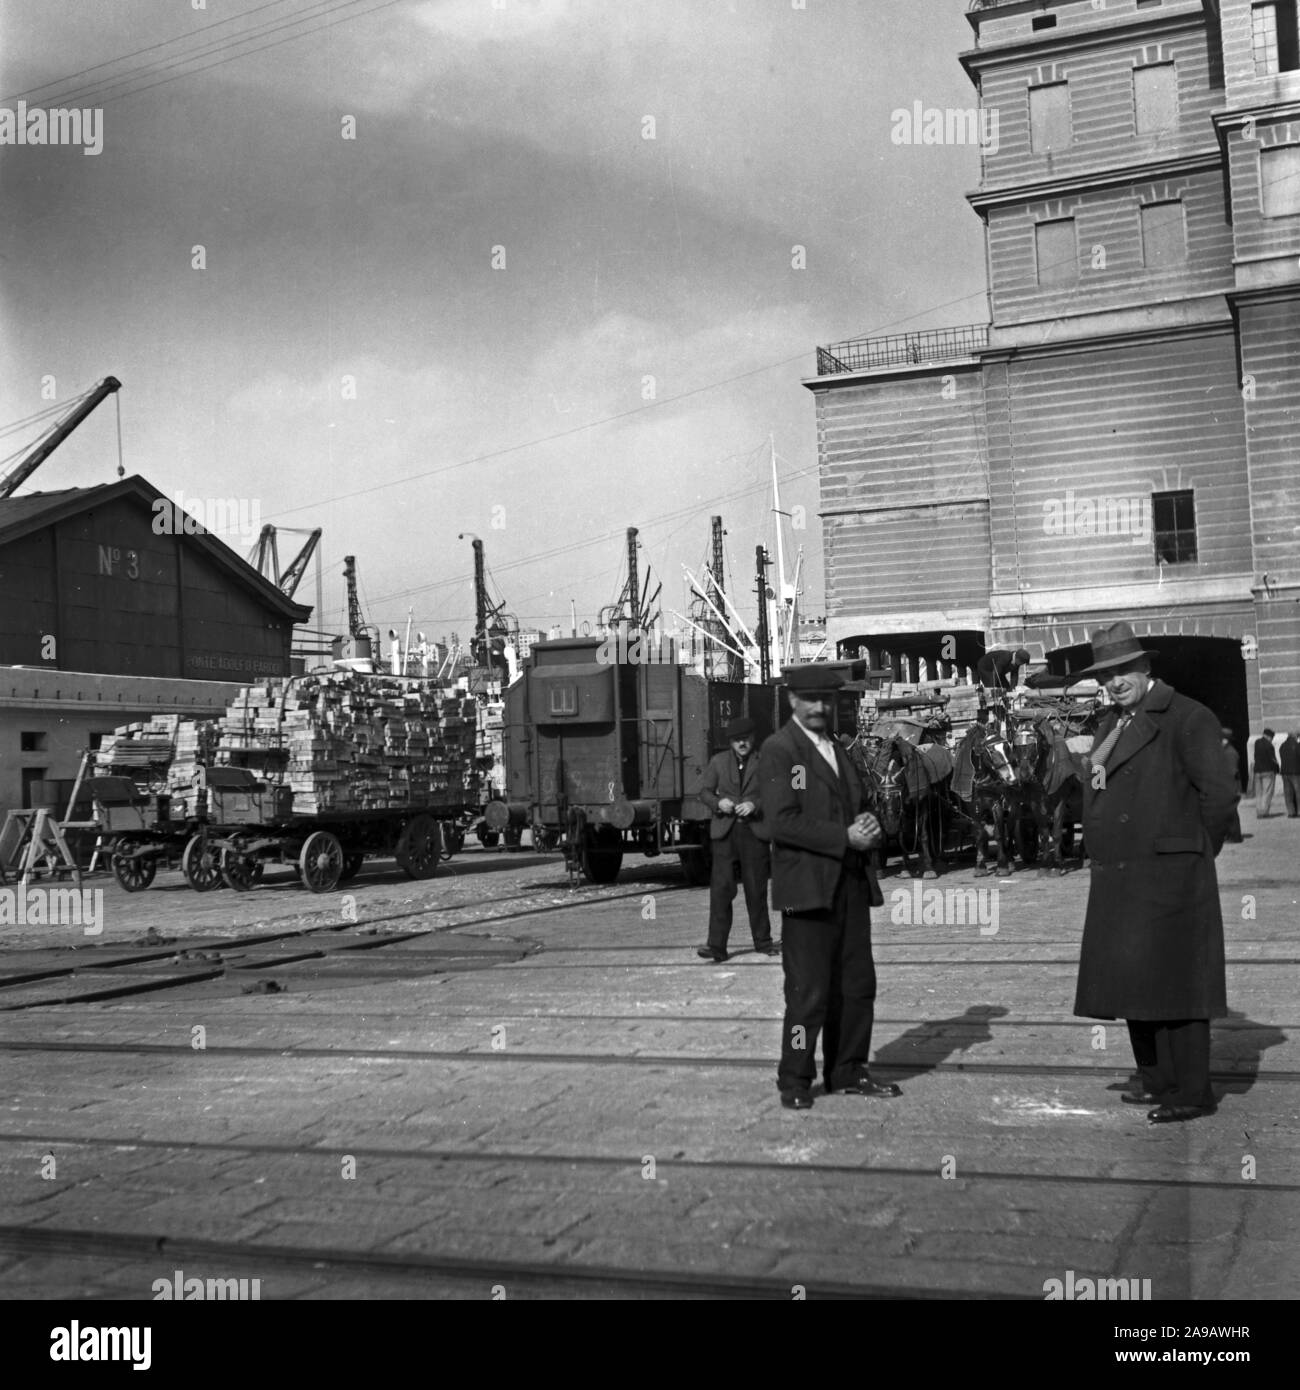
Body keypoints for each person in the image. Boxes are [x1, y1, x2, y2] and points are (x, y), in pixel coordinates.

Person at [1071, 623, 1237, 1125]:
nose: (1115, 682)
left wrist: (1191, 852)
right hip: (1120, 875)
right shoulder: (1111, 724)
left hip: (1169, 874)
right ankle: (1157, 1080)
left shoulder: (1188, 718)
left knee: (1180, 984)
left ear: (1146, 668)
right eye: (1106, 675)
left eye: (1124, 670)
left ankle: (1191, 1091)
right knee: (1134, 981)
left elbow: (1220, 798)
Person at [757, 665, 900, 1111]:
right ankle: (795, 1079)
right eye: (812, 700)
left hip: (850, 886)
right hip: (808, 891)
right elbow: (781, 821)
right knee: (809, 991)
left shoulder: (836, 747)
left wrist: (868, 821)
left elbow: (856, 804)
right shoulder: (780, 750)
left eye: (827, 700)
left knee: (857, 985)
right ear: (792, 701)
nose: (821, 708)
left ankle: (849, 1069)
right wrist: (845, 837)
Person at [695, 716, 778, 963]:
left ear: (753, 739)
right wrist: (718, 803)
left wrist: (755, 804)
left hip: (755, 833)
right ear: (730, 742)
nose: (742, 743)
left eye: (746, 738)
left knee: (756, 890)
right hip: (725, 833)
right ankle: (716, 946)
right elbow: (704, 792)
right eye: (737, 740)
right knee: (721, 890)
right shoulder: (718, 762)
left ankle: (763, 943)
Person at [1221, 728, 1243, 843]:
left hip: (1231, 787)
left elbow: (1231, 771)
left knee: (1231, 812)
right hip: (1228, 786)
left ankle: (1235, 836)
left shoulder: (1230, 753)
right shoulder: (1225, 751)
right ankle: (1231, 835)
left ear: (1225, 740)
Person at [1253, 729, 1279, 817]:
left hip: (1257, 771)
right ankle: (1264, 812)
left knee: (1258, 792)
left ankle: (1259, 811)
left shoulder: (1257, 743)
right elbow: (1273, 759)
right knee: (1267, 792)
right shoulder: (1269, 745)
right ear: (1269, 736)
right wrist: (1277, 769)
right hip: (1268, 771)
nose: (1272, 739)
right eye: (1272, 737)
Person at [1280, 729, 1300, 818]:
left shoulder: (1282, 746)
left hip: (1285, 772)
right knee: (1298, 792)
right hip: (1296, 772)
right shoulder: (1297, 745)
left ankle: (1291, 812)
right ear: (1295, 736)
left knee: (1288, 793)